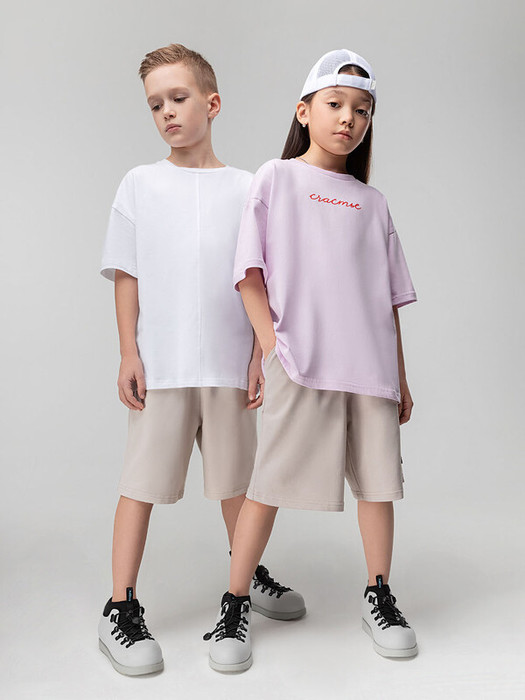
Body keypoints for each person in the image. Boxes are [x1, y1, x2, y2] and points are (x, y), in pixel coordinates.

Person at [205, 49, 419, 672]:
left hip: (370, 369)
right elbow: (248, 274)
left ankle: (379, 595)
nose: (349, 119)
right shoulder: (275, 179)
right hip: (301, 362)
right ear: (304, 111)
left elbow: (388, 300)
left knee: (379, 487)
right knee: (267, 485)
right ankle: (234, 603)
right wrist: (274, 349)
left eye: (362, 110)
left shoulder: (373, 203)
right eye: (335, 105)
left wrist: (401, 378)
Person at [98, 43, 305, 678]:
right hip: (161, 369)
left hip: (227, 368)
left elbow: (258, 278)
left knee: (240, 486)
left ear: (212, 104)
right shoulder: (139, 184)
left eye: (178, 98)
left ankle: (246, 577)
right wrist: (129, 351)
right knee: (140, 485)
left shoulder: (248, 188)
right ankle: (119, 605)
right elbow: (126, 274)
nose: (166, 111)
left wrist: (257, 354)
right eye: (154, 104)